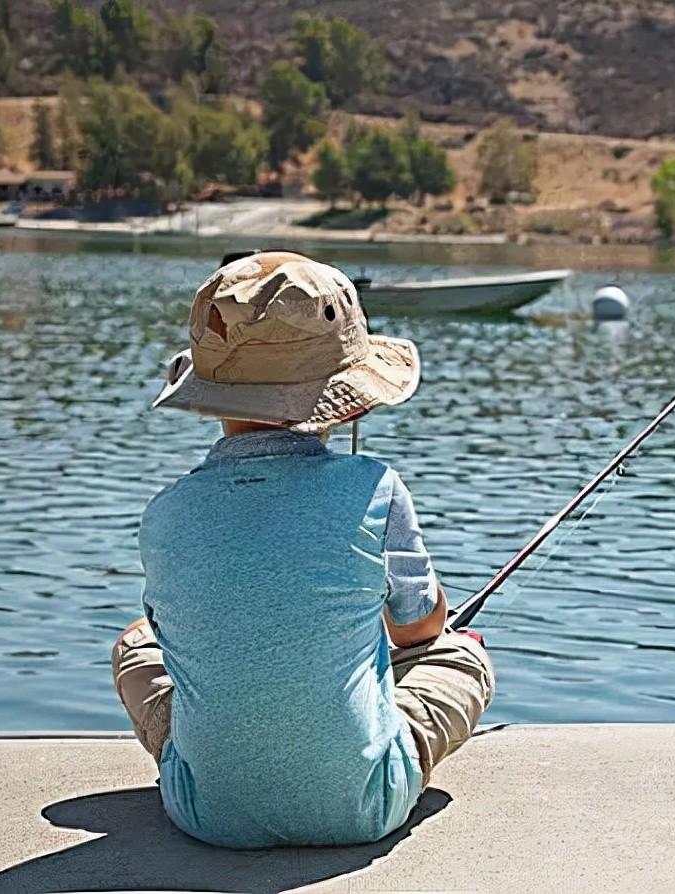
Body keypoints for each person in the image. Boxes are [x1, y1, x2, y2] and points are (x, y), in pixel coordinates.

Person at [111, 250, 493, 849]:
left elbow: (178, 636)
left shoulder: (165, 512)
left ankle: (225, 773)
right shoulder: (376, 486)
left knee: (136, 644)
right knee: (463, 657)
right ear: (352, 400)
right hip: (366, 809)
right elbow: (419, 633)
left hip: (205, 816)